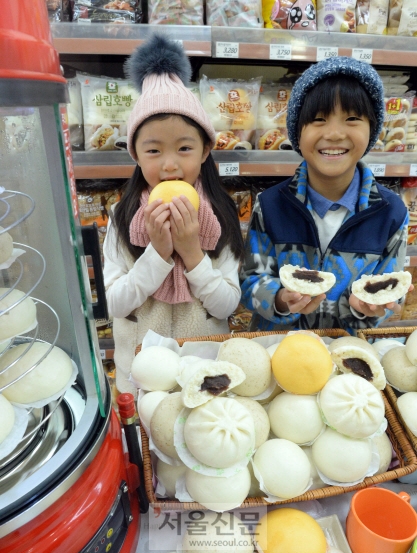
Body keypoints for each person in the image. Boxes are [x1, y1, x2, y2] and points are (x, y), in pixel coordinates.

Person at [103, 34, 244, 395]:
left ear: (205, 150)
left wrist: (192, 251)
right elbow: (114, 302)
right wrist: (158, 253)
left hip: (204, 366)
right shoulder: (123, 216)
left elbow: (228, 304)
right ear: (135, 154)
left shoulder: (222, 214)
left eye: (184, 148)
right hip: (139, 375)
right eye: (153, 150)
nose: (169, 165)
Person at [240, 57, 412, 333]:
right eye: (318, 119)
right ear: (298, 131)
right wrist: (281, 300)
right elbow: (251, 281)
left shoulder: (391, 212)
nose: (334, 134)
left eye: (353, 119)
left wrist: (363, 307)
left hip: (345, 354)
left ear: (372, 128)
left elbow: (389, 292)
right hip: (277, 351)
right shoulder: (270, 205)